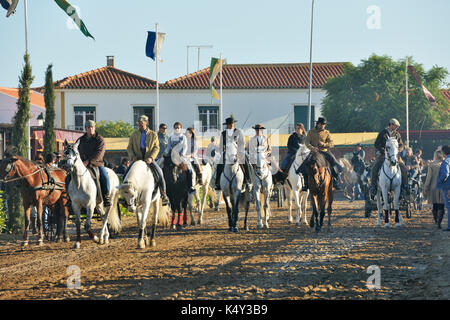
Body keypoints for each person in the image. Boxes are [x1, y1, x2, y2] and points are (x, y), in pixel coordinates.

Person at [66, 120, 111, 207]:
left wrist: (88, 161)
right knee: (68, 178)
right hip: (81, 165)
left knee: (104, 177)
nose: (90, 129)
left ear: (94, 128)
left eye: (92, 127)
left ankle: (106, 197)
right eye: (88, 127)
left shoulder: (100, 139)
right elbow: (75, 152)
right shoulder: (80, 140)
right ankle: (69, 198)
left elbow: (99, 153)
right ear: (85, 128)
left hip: (96, 164)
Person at [127, 115, 169, 205]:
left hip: (148, 159)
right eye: (139, 122)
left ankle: (163, 195)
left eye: (142, 122)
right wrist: (132, 156)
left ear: (147, 122)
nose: (140, 123)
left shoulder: (153, 134)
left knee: (160, 173)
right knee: (126, 174)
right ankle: (125, 196)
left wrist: (151, 158)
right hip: (137, 160)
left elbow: (156, 148)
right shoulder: (133, 135)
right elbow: (129, 148)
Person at [297, 117, 343, 191]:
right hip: (313, 152)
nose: (323, 126)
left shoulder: (327, 132)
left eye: (324, 124)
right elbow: (307, 143)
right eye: (322, 124)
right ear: (318, 124)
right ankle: (306, 184)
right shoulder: (311, 132)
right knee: (306, 164)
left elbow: (331, 143)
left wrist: (324, 144)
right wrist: (312, 148)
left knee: (333, 162)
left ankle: (336, 181)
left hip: (324, 152)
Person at [369, 118, 408, 199]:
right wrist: (383, 150)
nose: (397, 128)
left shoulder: (397, 134)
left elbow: (402, 145)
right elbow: (376, 144)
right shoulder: (382, 133)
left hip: (395, 155)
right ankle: (373, 186)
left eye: (397, 127)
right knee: (375, 167)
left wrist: (398, 150)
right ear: (391, 125)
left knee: (403, 167)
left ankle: (405, 186)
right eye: (395, 126)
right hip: (384, 155)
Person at [215, 116, 251, 190]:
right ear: (227, 125)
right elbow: (221, 145)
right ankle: (218, 182)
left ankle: (247, 180)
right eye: (229, 124)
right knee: (219, 164)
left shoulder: (238, 132)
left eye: (232, 124)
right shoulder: (223, 133)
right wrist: (223, 151)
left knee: (245, 161)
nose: (231, 125)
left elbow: (242, 143)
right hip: (227, 153)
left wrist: (239, 151)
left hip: (237, 152)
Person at [163, 122, 196, 193]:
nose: (177, 129)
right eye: (175, 127)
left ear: (181, 129)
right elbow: (168, 147)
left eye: (178, 127)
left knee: (189, 170)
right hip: (172, 156)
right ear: (174, 128)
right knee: (161, 165)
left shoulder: (183, 137)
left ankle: (190, 186)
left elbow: (185, 146)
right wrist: (165, 153)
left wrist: (183, 154)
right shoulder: (171, 137)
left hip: (181, 156)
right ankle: (162, 186)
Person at [424, 150, 445, 228]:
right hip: (443, 187)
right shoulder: (445, 163)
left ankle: (436, 221)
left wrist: (426, 187)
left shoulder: (432, 165)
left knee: (435, 205)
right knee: (441, 205)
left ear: (435, 156)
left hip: (434, 187)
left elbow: (429, 177)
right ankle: (439, 222)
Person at [437, 145, 450, 231]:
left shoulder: (446, 161)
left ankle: (449, 226)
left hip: (447, 187)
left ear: (443, 153)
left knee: (449, 207)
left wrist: (440, 181)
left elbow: (445, 173)